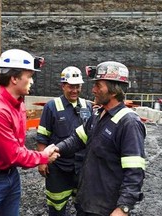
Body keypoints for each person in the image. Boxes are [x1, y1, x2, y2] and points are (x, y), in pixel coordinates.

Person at [0, 49, 60, 216]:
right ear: (14, 78)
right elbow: (13, 155)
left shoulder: (18, 102)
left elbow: (16, 147)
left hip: (10, 175)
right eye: (29, 77)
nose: (32, 82)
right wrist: (43, 156)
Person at [56, 61, 146, 216]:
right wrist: (57, 148)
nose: (93, 90)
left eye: (98, 86)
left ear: (113, 91)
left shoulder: (128, 123)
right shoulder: (98, 115)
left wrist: (123, 208)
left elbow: (134, 171)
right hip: (86, 202)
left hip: (106, 209)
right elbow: (77, 139)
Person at [36, 66, 92, 216]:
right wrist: (42, 161)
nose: (74, 90)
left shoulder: (89, 106)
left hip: (81, 169)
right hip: (58, 169)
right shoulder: (52, 107)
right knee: (57, 208)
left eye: (78, 86)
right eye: (70, 87)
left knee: (84, 208)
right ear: (63, 86)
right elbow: (42, 136)